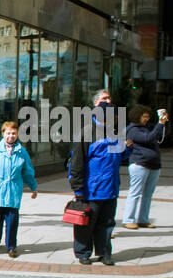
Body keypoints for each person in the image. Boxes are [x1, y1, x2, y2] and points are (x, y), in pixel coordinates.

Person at [68, 97, 128, 265]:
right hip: (91, 189)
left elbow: (120, 157)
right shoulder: (86, 133)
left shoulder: (115, 132)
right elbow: (76, 162)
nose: (115, 118)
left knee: (107, 223)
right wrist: (78, 189)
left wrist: (127, 148)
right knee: (85, 224)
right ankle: (83, 252)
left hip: (111, 188)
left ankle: (104, 252)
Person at [0, 120, 38, 257]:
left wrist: (33, 187)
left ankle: (11, 246)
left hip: (13, 192)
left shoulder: (22, 152)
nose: (11, 136)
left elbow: (27, 171)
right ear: (3, 133)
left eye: (14, 133)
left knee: (12, 222)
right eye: (8, 133)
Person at [122, 105, 164, 229]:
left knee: (148, 194)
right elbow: (148, 139)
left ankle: (143, 219)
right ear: (137, 116)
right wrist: (160, 124)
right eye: (144, 116)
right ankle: (128, 219)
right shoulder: (133, 130)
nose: (147, 119)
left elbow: (157, 136)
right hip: (140, 164)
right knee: (135, 193)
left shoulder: (144, 128)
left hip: (153, 164)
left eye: (148, 117)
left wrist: (162, 124)